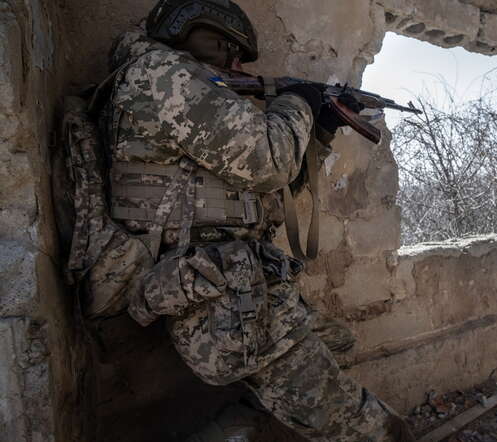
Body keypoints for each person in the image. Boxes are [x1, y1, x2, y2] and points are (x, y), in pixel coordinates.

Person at [94, 0, 416, 440]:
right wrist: (298, 104)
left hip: (235, 277)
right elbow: (268, 161)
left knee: (335, 345)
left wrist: (317, 128)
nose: (240, 65)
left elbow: (269, 190)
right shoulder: (161, 75)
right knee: (366, 425)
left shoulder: (174, 83)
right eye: (234, 52)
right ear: (203, 34)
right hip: (206, 284)